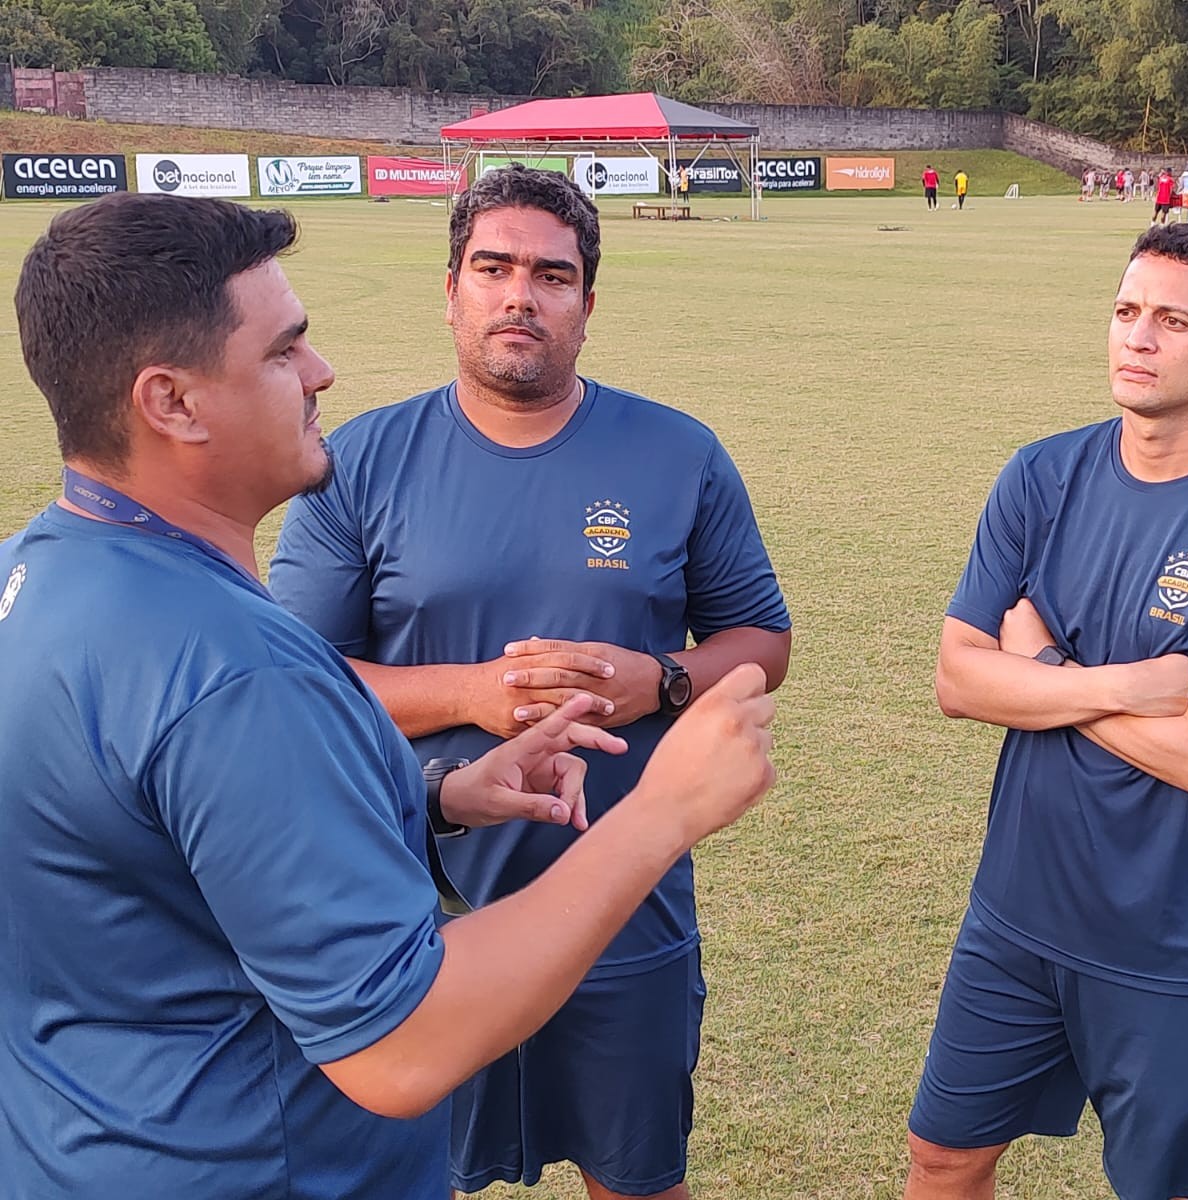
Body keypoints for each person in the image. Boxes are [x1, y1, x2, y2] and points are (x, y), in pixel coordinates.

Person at [0, 193, 778, 1200]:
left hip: (78, 1141)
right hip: (249, 1162)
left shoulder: (35, 574)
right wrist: (667, 810)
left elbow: (155, 834)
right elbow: (400, 1048)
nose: (320, 372)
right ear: (175, 402)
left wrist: (440, 796)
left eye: (552, 275)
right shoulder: (237, 669)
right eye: (284, 352)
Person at [270, 166, 792, 1200]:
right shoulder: (359, 462)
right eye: (493, 268)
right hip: (410, 910)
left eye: (551, 276)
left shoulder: (675, 452)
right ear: (452, 289)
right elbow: (296, 681)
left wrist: (668, 677)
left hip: (620, 903)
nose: (521, 295)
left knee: (636, 1176)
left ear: (587, 308)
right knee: (410, 1172)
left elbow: (762, 640)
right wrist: (467, 695)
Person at [900, 224, 1188, 1200]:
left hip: (1170, 950)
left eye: (1172, 321)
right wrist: (1117, 682)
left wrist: (1039, 667)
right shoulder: (1041, 476)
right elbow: (959, 681)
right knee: (942, 1156)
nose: (1137, 338)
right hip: (1013, 917)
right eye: (1126, 312)